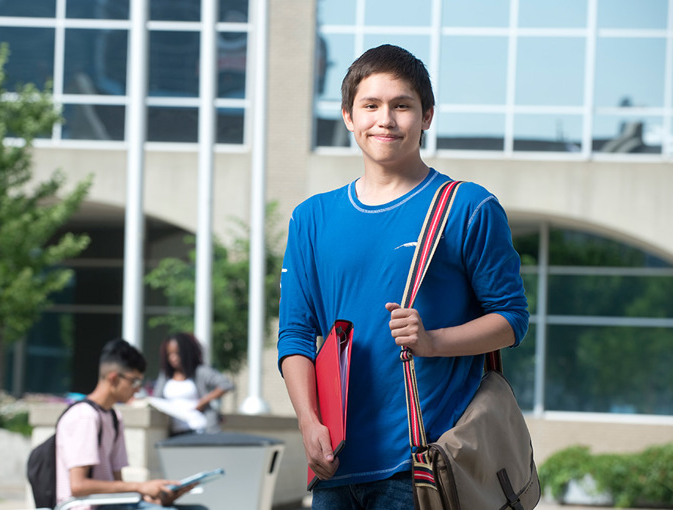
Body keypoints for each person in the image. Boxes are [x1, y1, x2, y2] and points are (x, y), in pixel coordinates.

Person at [277, 44, 529, 509]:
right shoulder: (311, 218)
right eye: (370, 105)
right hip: (335, 464)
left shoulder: (467, 206)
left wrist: (433, 341)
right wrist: (308, 422)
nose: (385, 119)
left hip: (423, 465)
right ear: (348, 117)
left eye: (402, 106)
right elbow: (295, 335)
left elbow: (511, 319)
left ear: (427, 115)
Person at [55, 338, 204, 510]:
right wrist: (140, 487)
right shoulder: (84, 416)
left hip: (111, 505)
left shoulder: (114, 417)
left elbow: (118, 486)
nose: (138, 389)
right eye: (134, 381)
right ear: (113, 378)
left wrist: (157, 498)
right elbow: (78, 486)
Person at [152, 332, 234, 435]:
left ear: (186, 352)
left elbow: (226, 384)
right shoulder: (166, 375)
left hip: (200, 428)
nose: (173, 358)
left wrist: (203, 402)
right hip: (175, 431)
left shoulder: (200, 372)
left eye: (177, 353)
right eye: (169, 354)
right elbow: (157, 399)